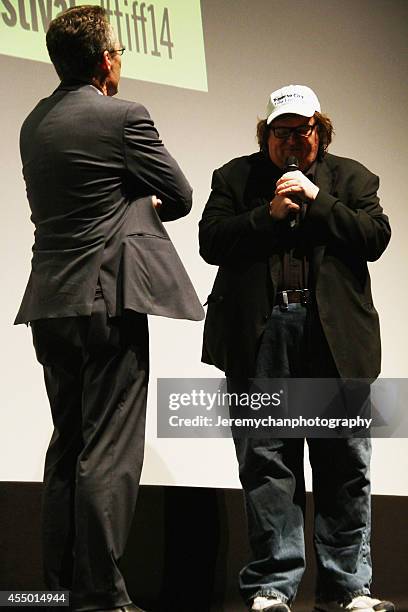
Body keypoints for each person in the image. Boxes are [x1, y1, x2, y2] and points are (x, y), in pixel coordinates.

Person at [15, 6, 203, 612]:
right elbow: (178, 193)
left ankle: (60, 585)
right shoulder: (124, 116)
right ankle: (101, 594)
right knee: (109, 450)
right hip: (106, 302)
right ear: (104, 60)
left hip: (50, 305)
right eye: (119, 50)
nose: (120, 59)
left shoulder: (33, 123)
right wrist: (133, 200)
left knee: (67, 445)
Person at [199, 84, 394, 612]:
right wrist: (267, 213)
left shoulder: (353, 178)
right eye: (280, 132)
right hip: (260, 337)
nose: (290, 142)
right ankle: (272, 586)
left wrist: (317, 201)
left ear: (319, 132)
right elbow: (210, 242)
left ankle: (348, 587)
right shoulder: (235, 178)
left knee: (343, 464)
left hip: (332, 339)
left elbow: (375, 236)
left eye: (300, 131)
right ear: (266, 135)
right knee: (267, 462)